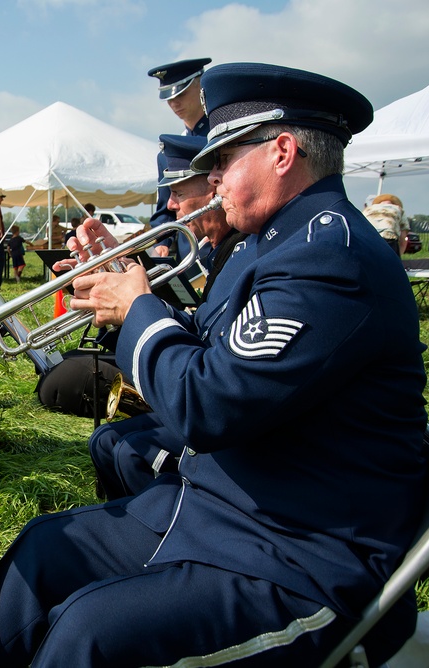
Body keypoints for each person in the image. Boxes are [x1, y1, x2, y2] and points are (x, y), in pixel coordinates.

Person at [0, 63, 426, 667]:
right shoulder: (269, 246)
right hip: (223, 513)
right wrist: (125, 295)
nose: (211, 178)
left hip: (301, 558)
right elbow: (205, 341)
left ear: (282, 152)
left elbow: (208, 407)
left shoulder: (332, 258)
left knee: (88, 634)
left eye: (223, 161)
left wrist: (138, 308)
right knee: (42, 552)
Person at [85, 133, 247, 498]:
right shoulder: (213, 250)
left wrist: (133, 302)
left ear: (211, 191)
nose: (170, 206)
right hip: (195, 386)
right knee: (103, 440)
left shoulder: (240, 251)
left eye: (177, 192)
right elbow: (190, 312)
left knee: (127, 451)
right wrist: (118, 267)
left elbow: (204, 334)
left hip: (215, 413)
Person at [146, 58, 212, 260]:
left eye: (181, 93)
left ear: (200, 83)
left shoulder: (225, 138)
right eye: (168, 97)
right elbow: (167, 208)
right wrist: (163, 242)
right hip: (190, 253)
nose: (174, 103)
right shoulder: (167, 154)